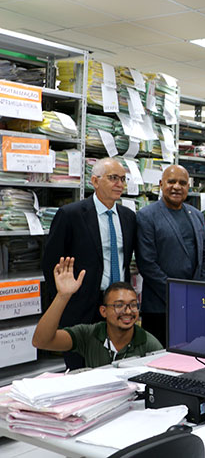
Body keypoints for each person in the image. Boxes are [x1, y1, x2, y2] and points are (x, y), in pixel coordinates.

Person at [42, 157, 137, 369]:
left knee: (116, 366)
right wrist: (63, 299)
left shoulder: (128, 217)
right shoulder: (71, 214)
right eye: (113, 178)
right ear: (95, 181)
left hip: (118, 305)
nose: (119, 184)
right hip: (82, 305)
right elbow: (51, 262)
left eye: (122, 179)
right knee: (80, 368)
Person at [32, 257, 161, 368]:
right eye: (119, 305)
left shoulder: (149, 343)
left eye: (133, 305)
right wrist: (62, 296)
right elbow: (41, 341)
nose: (128, 311)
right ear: (103, 311)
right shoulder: (88, 334)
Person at [136, 165, 205, 344]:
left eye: (182, 183)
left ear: (188, 188)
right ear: (161, 184)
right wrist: (178, 295)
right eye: (171, 182)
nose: (177, 187)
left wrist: (197, 292)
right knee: (158, 360)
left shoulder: (196, 215)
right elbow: (147, 263)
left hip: (193, 304)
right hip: (160, 306)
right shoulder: (147, 216)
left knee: (191, 358)